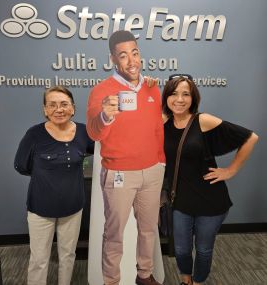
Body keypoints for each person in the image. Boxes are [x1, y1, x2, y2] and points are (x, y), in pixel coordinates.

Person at [162, 74, 259, 285]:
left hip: (210, 199)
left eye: (185, 94)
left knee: (204, 249)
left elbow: (251, 138)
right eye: (173, 93)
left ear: (193, 98)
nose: (179, 99)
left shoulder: (202, 120)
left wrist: (230, 170)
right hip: (180, 199)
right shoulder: (163, 122)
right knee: (181, 249)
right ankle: (186, 280)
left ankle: (198, 282)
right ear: (166, 97)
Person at [86, 30, 165, 285]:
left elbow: (157, 129)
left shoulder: (153, 88)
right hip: (119, 174)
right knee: (114, 234)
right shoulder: (101, 91)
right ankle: (111, 280)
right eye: (123, 55)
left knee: (148, 229)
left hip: (152, 172)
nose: (131, 61)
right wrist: (105, 116)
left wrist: (160, 161)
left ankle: (144, 275)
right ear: (112, 59)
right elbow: (93, 132)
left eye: (135, 53)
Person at [14, 86, 94, 285]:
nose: (59, 109)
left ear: (73, 108)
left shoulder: (84, 132)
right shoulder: (34, 134)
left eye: (64, 104)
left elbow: (97, 150)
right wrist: (46, 176)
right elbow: (21, 165)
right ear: (45, 110)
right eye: (53, 105)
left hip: (73, 207)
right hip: (41, 208)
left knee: (68, 256)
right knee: (39, 260)